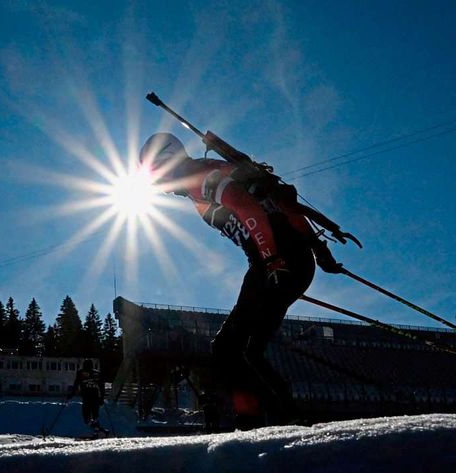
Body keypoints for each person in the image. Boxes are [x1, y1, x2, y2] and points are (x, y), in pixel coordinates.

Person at [139, 132, 356, 428]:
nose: (157, 186)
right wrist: (319, 250)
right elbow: (278, 204)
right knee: (250, 350)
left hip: (275, 261)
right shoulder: (209, 171)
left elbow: (246, 207)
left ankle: (252, 421)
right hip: (292, 260)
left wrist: (271, 260)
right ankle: (289, 417)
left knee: (226, 348)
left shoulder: (196, 177)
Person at [69, 359, 109, 437]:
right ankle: (100, 430)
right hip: (93, 397)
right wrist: (102, 398)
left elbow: (76, 384)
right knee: (93, 416)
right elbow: (102, 387)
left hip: (89, 398)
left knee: (88, 417)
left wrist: (72, 394)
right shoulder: (96, 373)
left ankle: (97, 431)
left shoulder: (82, 372)